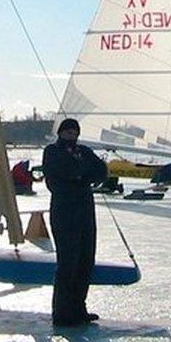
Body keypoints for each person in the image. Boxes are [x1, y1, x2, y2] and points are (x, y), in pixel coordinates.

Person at [41, 117, 108, 327]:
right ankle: (62, 312)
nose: (71, 136)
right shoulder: (52, 151)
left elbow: (101, 170)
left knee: (85, 260)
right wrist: (82, 173)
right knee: (68, 262)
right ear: (60, 133)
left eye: (74, 133)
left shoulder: (84, 151)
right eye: (67, 133)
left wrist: (83, 173)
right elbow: (67, 171)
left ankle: (78, 307)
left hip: (84, 209)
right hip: (64, 211)